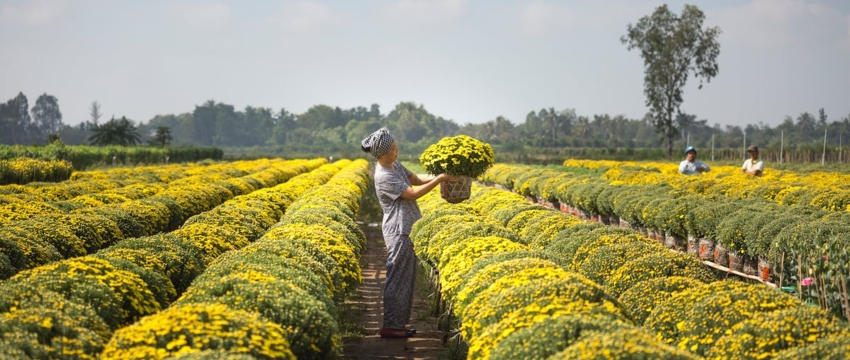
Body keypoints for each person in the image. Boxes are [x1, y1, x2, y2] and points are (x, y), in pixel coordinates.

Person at [360, 128, 453, 338]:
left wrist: (444, 176)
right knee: (397, 278)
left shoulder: (394, 165)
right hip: (398, 230)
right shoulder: (384, 175)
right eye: (393, 149)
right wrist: (439, 180)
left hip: (407, 228)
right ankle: (391, 327)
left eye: (396, 147)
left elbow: (416, 179)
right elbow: (411, 194)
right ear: (382, 154)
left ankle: (399, 325)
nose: (397, 151)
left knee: (406, 278)